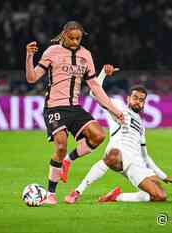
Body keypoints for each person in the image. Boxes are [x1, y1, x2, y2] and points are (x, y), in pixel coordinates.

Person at [25, 21, 124, 205]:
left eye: (78, 38)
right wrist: (29, 56)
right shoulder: (51, 52)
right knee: (60, 146)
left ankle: (68, 161)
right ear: (63, 34)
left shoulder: (85, 56)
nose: (75, 41)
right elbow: (31, 78)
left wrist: (114, 109)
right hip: (54, 107)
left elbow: (95, 86)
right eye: (71, 38)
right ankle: (50, 195)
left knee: (99, 136)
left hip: (75, 107)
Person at [64, 81, 172, 204]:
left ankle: (116, 197)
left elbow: (145, 156)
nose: (137, 101)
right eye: (135, 98)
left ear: (144, 104)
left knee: (160, 196)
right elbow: (93, 93)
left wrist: (163, 176)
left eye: (141, 100)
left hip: (137, 163)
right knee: (113, 155)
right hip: (120, 156)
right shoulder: (118, 106)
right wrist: (104, 74)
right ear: (128, 98)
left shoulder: (141, 127)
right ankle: (77, 192)